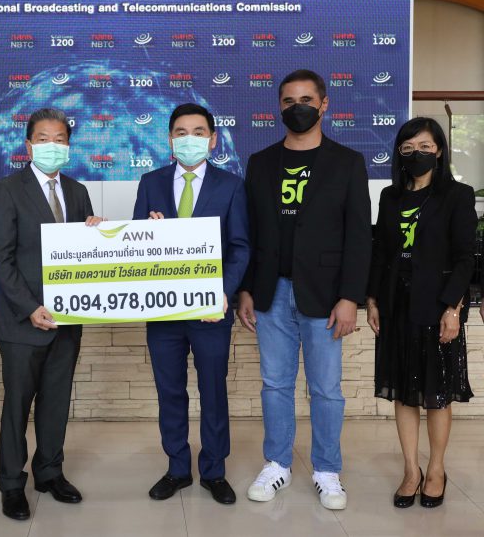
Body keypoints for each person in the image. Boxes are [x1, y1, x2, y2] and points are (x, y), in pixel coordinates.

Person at [237, 69, 371, 510]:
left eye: (307, 100)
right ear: (279, 106)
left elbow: (359, 236)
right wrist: (246, 290)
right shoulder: (260, 163)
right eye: (289, 101)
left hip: (326, 295)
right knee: (275, 384)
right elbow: (250, 233)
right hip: (270, 292)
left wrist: (350, 296)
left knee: (326, 388)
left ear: (324, 104)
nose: (298, 108)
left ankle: (327, 470)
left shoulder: (348, 162)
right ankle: (277, 463)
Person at [0, 108, 104, 521]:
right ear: (29, 145)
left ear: (69, 145)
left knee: (56, 401)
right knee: (17, 406)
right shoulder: (6, 190)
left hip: (67, 320)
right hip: (23, 322)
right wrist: (29, 307)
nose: (53, 146)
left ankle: (50, 472)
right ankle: (11, 484)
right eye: (43, 139)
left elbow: (84, 253)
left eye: (60, 140)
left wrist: (99, 232)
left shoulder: (78, 190)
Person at [131, 103, 249, 504]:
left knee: (213, 390)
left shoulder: (231, 185)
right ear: (169, 139)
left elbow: (240, 247)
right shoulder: (150, 182)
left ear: (212, 140)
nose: (189, 139)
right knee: (170, 391)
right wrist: (147, 234)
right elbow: (135, 245)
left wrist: (223, 292)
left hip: (211, 312)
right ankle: (177, 468)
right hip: (164, 311)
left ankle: (214, 471)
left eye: (198, 132)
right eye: (181, 132)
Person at [367, 117, 476, 508]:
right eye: (408, 148)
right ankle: (411, 470)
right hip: (396, 304)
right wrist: (372, 299)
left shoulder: (457, 195)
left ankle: (436, 470)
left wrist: (453, 307)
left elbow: (465, 257)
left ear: (439, 150)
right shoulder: (390, 197)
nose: (417, 154)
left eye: (425, 147)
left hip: (437, 305)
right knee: (404, 392)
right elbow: (381, 252)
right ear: (399, 153)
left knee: (436, 394)